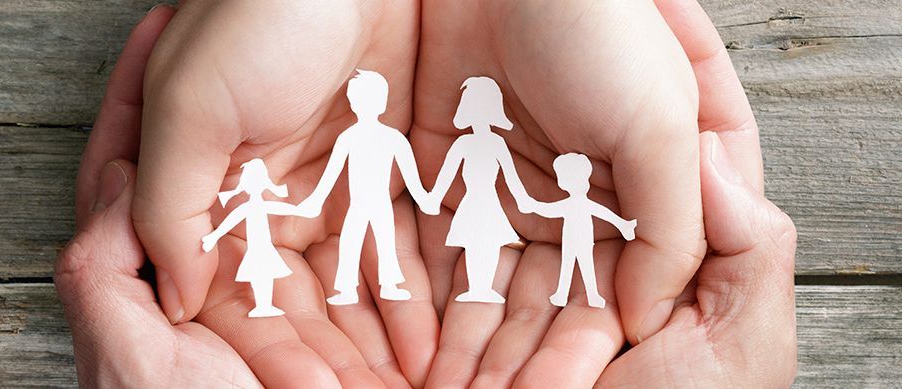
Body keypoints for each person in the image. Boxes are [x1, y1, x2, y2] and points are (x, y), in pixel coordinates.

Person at [58, 1, 797, 387]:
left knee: (382, 250)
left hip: (432, 209)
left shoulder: (418, 141)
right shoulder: (360, 139)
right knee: (357, 254)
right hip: (376, 206)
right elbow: (400, 174)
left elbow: (457, 180)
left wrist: (435, 186)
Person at [295, 69, 434, 306]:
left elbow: (411, 175)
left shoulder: (393, 138)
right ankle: (347, 289)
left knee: (385, 242)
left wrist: (423, 198)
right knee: (351, 241)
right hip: (358, 203)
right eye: (357, 99)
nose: (361, 104)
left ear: (382, 103)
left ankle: (389, 285)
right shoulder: (348, 137)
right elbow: (331, 172)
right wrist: (316, 200)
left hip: (380, 202)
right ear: (353, 103)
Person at [424, 76, 535, 304]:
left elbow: (511, 175)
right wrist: (434, 198)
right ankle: (476, 288)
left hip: (489, 200)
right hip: (471, 200)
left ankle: (485, 288)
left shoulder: (497, 143)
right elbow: (447, 173)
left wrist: (523, 199)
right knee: (474, 243)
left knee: (491, 243)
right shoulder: (462, 143)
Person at [526, 153, 637, 309]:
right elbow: (550, 210)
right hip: (571, 240)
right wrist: (534, 206)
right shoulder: (571, 204)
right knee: (570, 265)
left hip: (583, 240)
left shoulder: (579, 204)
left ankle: (589, 295)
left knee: (583, 265)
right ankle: (563, 295)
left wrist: (534, 206)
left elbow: (603, 213)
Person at [201, 159, 296, 318]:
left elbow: (283, 208)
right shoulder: (247, 207)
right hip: (257, 249)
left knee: (266, 275)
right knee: (260, 275)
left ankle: (265, 306)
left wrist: (300, 210)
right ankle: (262, 306)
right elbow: (229, 223)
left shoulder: (259, 205)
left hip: (264, 248)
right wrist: (213, 237)